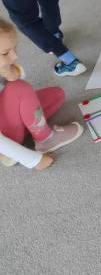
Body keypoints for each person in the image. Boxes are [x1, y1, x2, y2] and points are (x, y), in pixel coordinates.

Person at [0, 19, 82, 169]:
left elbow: (13, 82)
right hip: (3, 136)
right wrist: (34, 161)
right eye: (5, 53)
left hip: (6, 117)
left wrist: (10, 73)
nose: (14, 57)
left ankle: (20, 139)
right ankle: (46, 139)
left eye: (14, 49)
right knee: (21, 89)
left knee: (56, 95)